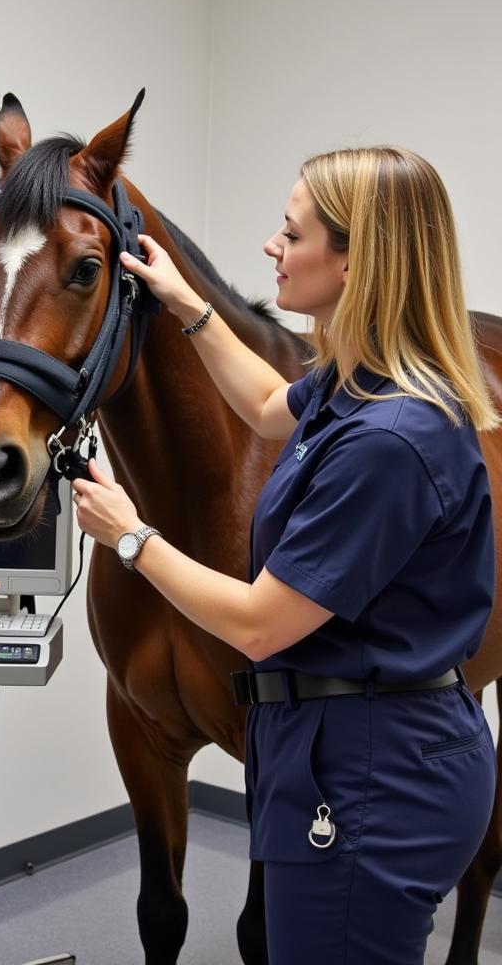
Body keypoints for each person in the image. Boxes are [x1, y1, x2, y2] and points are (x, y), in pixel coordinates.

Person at [72, 147, 498, 963]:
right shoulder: (360, 380)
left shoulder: (391, 440)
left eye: (291, 232)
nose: (271, 245)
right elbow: (270, 406)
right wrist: (187, 302)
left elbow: (263, 626)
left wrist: (131, 536)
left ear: (355, 261)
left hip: (378, 774)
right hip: (349, 749)